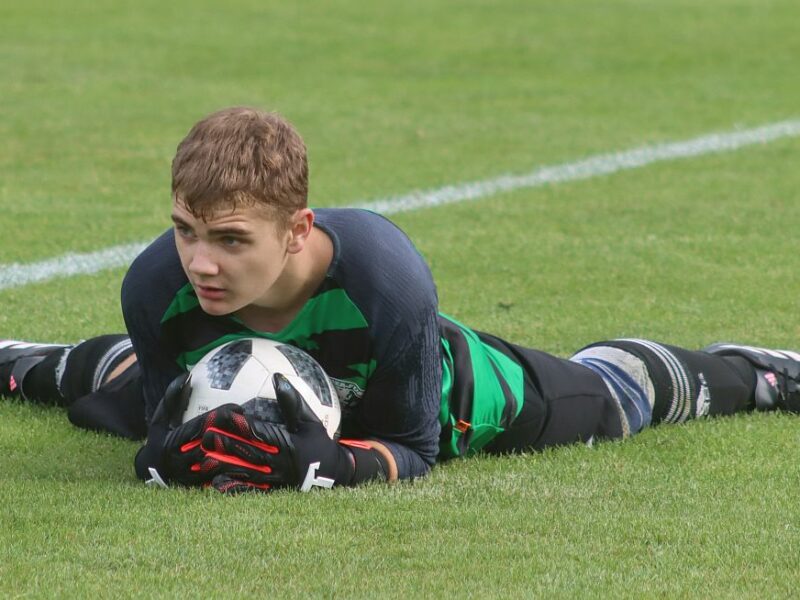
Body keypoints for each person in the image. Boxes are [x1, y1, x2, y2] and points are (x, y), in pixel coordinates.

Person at [2, 107, 799, 493]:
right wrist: (162, 458)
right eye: (184, 231)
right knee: (114, 390)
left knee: (617, 397)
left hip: (456, 395)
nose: (200, 263)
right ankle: (20, 363)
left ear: (297, 230)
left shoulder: (386, 281)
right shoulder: (155, 284)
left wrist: (326, 465)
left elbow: (413, 449)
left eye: (231, 240)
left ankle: (759, 373)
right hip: (268, 383)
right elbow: (165, 411)